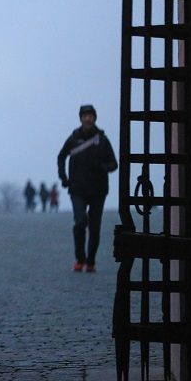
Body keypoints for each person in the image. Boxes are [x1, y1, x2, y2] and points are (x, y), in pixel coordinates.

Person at [57, 104, 117, 273]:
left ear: (95, 118)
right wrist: (63, 177)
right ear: (80, 118)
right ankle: (80, 258)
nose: (87, 118)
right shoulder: (73, 138)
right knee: (81, 221)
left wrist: (103, 167)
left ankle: (91, 261)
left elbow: (114, 163)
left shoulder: (103, 140)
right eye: (85, 116)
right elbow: (61, 156)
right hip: (77, 189)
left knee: (95, 227)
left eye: (90, 115)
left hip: (98, 190)